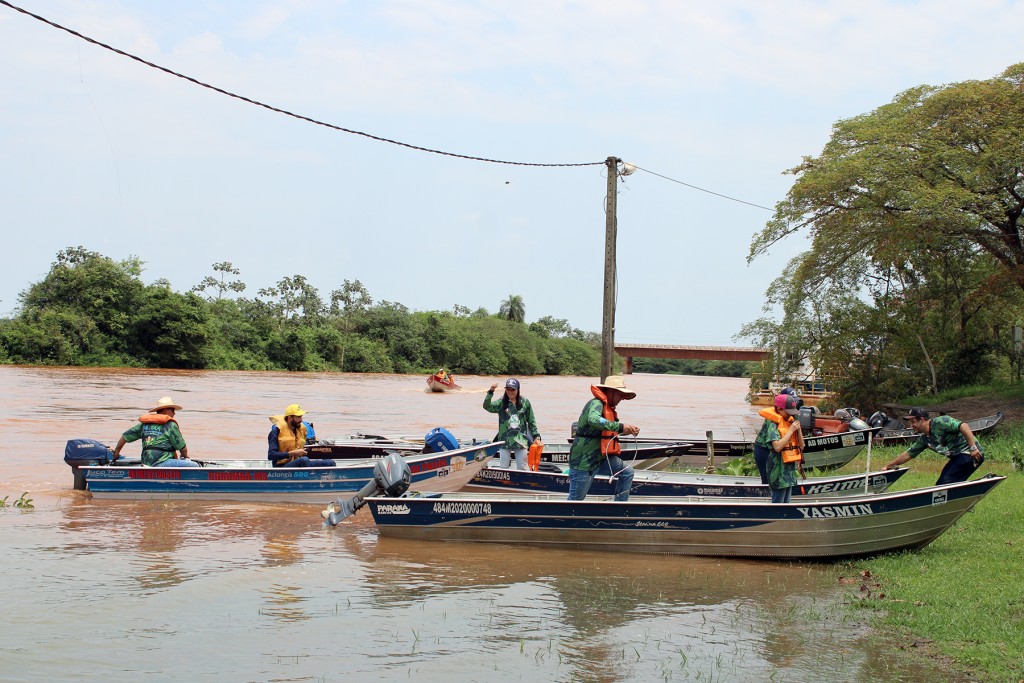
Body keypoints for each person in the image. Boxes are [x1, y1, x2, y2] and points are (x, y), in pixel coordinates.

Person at [567, 375, 640, 502]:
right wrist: (621, 427)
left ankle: (619, 508)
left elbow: (606, 433)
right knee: (576, 499)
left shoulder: (609, 409)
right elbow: (593, 420)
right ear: (610, 392)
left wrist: (627, 430)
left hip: (602, 457)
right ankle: (564, 519)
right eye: (619, 394)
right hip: (584, 460)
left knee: (627, 472)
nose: (621, 398)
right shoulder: (596, 403)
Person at [883, 408, 984, 484]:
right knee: (940, 484)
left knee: (946, 483)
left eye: (913, 422)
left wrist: (973, 448)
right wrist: (887, 466)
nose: (911, 425)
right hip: (958, 457)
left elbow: (963, 426)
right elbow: (908, 454)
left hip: (971, 454)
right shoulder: (925, 439)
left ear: (921, 419)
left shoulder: (941, 422)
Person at [111, 396, 200, 467]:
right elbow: (183, 449)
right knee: (194, 465)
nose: (174, 413)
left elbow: (125, 437)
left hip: (146, 462)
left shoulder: (145, 424)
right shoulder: (170, 425)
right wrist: (186, 457)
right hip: (162, 463)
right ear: (166, 410)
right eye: (173, 410)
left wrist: (117, 452)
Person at [753, 393, 804, 502]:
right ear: (779, 409)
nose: (791, 415)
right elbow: (777, 447)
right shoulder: (773, 422)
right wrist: (791, 431)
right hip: (772, 458)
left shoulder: (790, 421)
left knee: (787, 497)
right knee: (776, 491)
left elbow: (802, 446)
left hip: (787, 466)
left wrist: (798, 430)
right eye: (788, 412)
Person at [483, 378, 542, 469]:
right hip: (504, 441)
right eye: (508, 389)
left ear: (518, 390)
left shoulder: (525, 402)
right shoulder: (501, 403)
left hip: (521, 441)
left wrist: (536, 437)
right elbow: (487, 407)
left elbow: (531, 421)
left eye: (513, 389)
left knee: (522, 468)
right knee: (503, 467)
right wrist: (491, 391)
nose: (510, 392)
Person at [268, 404, 336, 468]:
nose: (301, 420)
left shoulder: (300, 431)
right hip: (282, 467)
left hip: (298, 463)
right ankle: (310, 478)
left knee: (330, 462)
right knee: (304, 460)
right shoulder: (276, 432)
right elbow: (271, 455)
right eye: (298, 417)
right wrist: (293, 453)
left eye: (301, 417)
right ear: (289, 418)